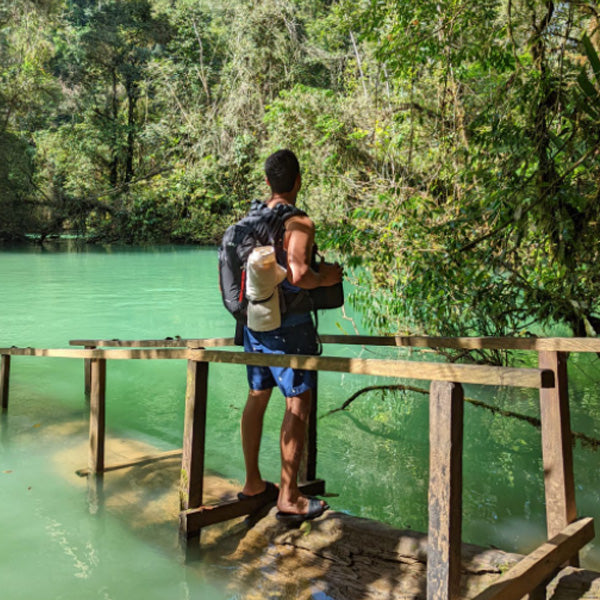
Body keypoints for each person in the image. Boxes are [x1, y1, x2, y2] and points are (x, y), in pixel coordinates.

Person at [237, 149, 343, 523]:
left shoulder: (251, 220)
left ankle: (253, 483)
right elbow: (298, 274)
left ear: (268, 182)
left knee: (257, 396)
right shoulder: (298, 222)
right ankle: (289, 496)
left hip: (253, 323)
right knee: (297, 404)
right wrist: (326, 278)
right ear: (298, 181)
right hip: (289, 328)